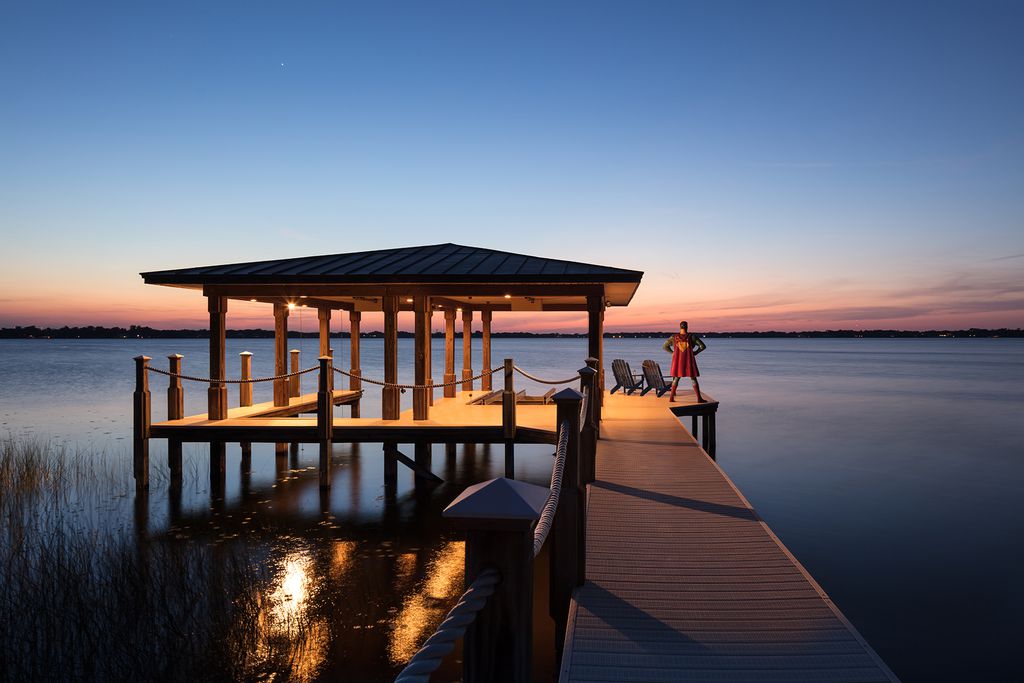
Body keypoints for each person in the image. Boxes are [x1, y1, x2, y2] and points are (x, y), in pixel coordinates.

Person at [662, 320, 706, 402]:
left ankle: (671, 397)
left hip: (678, 361)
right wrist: (696, 352)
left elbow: (665, 347)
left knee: (676, 378)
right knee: (693, 378)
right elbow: (702, 346)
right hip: (689, 360)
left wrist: (673, 353)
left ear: (680, 327)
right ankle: (699, 398)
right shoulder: (692, 337)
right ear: (687, 327)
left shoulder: (673, 337)